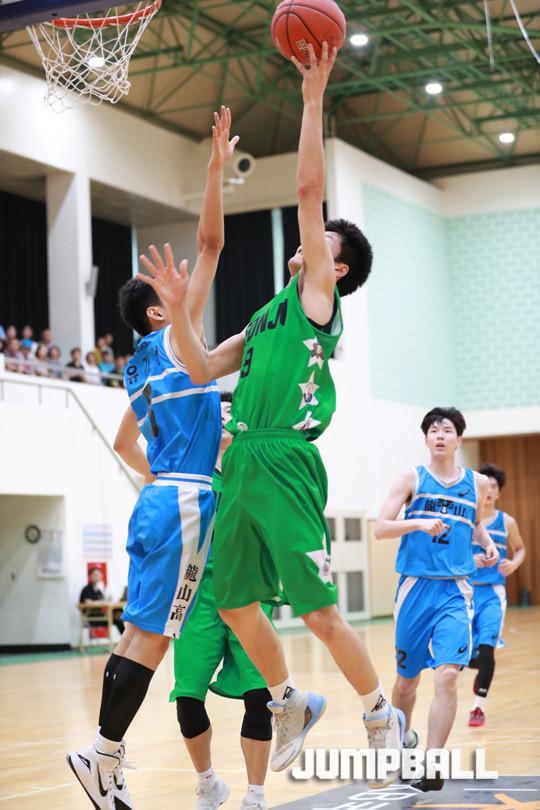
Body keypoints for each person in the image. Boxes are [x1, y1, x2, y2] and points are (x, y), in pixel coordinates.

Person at [138, 44, 404, 787]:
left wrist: (313, 97)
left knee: (318, 612)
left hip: (286, 459)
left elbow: (309, 190)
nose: (312, 236)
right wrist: (178, 305)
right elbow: (200, 367)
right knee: (234, 604)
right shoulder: (266, 315)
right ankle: (289, 700)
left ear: (336, 267)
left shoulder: (318, 298)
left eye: (325, 239)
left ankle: (381, 714)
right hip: (243, 460)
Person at [66, 106, 239, 810]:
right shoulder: (175, 338)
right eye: (176, 297)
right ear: (160, 312)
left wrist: (166, 474)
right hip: (186, 499)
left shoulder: (138, 365)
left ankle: (102, 760)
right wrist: (214, 169)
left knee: (139, 635)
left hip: (158, 498)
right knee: (156, 640)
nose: (190, 291)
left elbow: (122, 444)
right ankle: (101, 753)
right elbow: (212, 244)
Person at [374, 407, 500, 792]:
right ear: (426, 438)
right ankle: (402, 745)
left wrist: (488, 543)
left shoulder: (477, 483)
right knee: (406, 682)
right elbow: (381, 528)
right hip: (415, 588)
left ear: (459, 439)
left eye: (446, 430)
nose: (439, 435)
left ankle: (432, 762)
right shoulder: (412, 478)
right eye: (433, 430)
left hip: (456, 589)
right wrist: (418, 522)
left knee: (447, 675)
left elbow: (473, 523)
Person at [171, 392, 273, 810]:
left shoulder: (258, 471)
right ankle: (208, 783)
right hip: (197, 593)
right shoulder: (189, 474)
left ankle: (256, 795)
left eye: (233, 412)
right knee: (187, 698)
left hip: (246, 591)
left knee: (259, 696)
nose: (226, 417)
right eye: (220, 411)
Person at [467, 463, 525, 728]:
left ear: (499, 492)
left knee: (488, 648)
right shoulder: (467, 519)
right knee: (468, 656)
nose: (489, 491)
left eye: (494, 487)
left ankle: (478, 707)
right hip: (465, 592)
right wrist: (470, 561)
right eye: (485, 486)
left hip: (493, 594)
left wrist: (514, 563)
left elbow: (520, 548)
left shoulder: (507, 521)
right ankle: (481, 670)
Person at [80, 567, 125, 636]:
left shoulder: (98, 591)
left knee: (118, 613)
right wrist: (101, 602)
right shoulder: (87, 589)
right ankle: (127, 639)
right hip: (93, 617)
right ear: (90, 576)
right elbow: (87, 602)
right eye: (95, 574)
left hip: (101, 615)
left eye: (99, 574)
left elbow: (103, 600)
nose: (97, 576)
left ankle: (126, 639)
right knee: (118, 617)